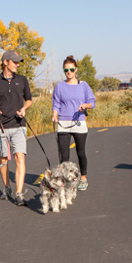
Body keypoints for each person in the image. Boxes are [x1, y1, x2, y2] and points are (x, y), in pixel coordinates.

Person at [0, 50, 33, 206]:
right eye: (15, 62)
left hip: (19, 125)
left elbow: (29, 99)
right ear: (5, 62)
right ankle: (7, 188)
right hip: (0, 127)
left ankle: (19, 193)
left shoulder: (23, 80)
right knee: (3, 159)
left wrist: (24, 108)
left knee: (20, 157)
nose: (17, 64)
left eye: (18, 62)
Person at [51, 55, 96, 190]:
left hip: (78, 122)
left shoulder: (83, 85)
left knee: (80, 152)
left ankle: (83, 178)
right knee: (64, 154)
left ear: (76, 69)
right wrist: (54, 114)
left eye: (71, 69)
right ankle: (65, 180)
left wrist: (85, 106)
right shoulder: (59, 86)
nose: (69, 72)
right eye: (66, 70)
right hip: (63, 122)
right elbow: (56, 103)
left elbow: (92, 102)